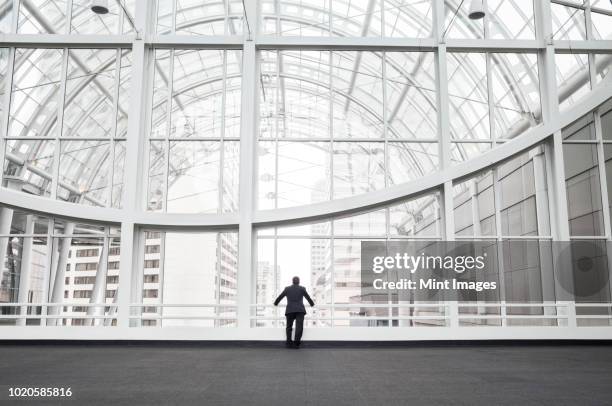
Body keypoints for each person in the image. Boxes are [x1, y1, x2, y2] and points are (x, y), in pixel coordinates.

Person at [273, 276, 315, 349]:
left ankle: (289, 343)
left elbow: (280, 297)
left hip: (290, 310)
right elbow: (308, 297)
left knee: (289, 327)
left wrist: (275, 303)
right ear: (299, 281)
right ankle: (296, 344)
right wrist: (312, 304)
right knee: (299, 327)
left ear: (292, 281)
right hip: (300, 310)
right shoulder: (302, 289)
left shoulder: (287, 289)